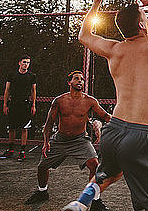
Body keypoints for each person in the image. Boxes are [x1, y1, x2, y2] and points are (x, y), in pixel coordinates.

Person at [62, 0, 148, 211]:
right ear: (141, 26)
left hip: (114, 130)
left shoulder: (114, 50)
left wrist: (96, 4)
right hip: (141, 134)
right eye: (146, 16)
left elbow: (84, 35)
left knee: (111, 172)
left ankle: (82, 203)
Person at [24, 70, 112, 210]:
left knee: (94, 164)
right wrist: (46, 141)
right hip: (60, 139)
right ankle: (42, 192)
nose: (80, 81)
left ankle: (96, 200)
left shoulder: (90, 101)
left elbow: (106, 116)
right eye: (76, 79)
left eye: (82, 79)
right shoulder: (59, 101)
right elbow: (49, 123)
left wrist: (124, 125)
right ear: (69, 82)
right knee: (42, 167)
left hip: (80, 140)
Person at [0, 54, 36, 162]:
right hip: (13, 103)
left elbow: (33, 91)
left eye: (28, 63)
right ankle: (10, 150)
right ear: (19, 63)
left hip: (25, 104)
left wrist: (33, 105)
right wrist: (5, 105)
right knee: (12, 127)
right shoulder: (12, 75)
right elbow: (7, 90)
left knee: (25, 128)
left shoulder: (31, 76)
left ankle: (22, 151)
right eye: (24, 62)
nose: (26, 64)